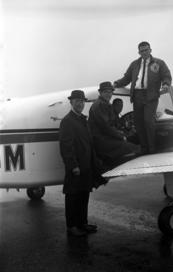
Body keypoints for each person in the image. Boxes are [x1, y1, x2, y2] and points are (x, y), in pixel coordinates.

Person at [59, 90, 106, 237]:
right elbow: (66, 147)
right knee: (73, 196)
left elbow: (89, 144)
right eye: (77, 101)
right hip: (76, 167)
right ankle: (72, 226)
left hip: (86, 165)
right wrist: (73, 166)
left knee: (84, 195)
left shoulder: (83, 120)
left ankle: (82, 223)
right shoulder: (67, 121)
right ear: (71, 102)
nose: (80, 103)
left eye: (82, 101)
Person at [114, 41, 172, 154]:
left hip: (151, 95)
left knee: (148, 121)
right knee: (139, 123)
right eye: (142, 51)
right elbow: (126, 78)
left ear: (150, 50)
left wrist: (165, 84)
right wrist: (116, 84)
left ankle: (152, 148)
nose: (144, 52)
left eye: (146, 50)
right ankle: (144, 148)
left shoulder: (159, 63)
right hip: (137, 95)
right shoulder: (134, 64)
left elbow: (166, 75)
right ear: (139, 52)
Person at [88, 81, 140, 167]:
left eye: (110, 92)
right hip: (102, 141)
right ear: (100, 93)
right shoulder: (99, 105)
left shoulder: (105, 104)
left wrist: (122, 133)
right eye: (105, 92)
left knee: (131, 142)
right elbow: (106, 127)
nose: (108, 94)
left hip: (106, 138)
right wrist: (121, 136)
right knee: (136, 149)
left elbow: (112, 125)